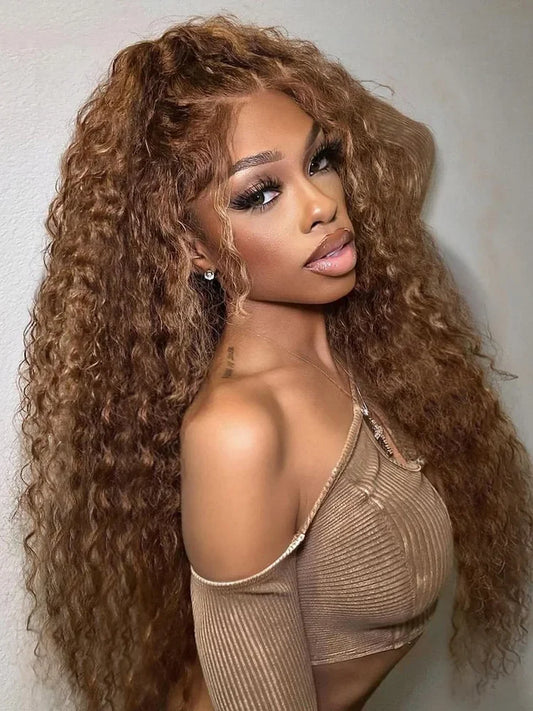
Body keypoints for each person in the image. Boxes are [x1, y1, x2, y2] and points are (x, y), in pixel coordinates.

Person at [15, 13, 533, 711]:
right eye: (259, 193)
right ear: (192, 247)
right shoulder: (239, 431)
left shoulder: (352, 342)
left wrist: (243, 73)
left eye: (321, 160)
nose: (322, 206)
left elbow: (408, 144)